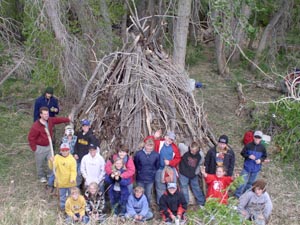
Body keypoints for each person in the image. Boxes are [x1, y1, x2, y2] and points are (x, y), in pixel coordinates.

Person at [28, 106, 71, 183]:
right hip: (40, 148)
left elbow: (58, 120)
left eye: (47, 114)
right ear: (40, 115)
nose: (46, 116)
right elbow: (31, 138)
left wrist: (67, 119)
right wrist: (35, 148)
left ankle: (50, 175)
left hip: (49, 147)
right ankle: (41, 176)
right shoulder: (36, 126)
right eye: (44, 114)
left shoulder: (50, 121)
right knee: (40, 163)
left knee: (51, 161)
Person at [235, 131, 267, 198]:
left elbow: (264, 156)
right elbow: (242, 153)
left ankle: (245, 196)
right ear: (253, 137)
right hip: (247, 167)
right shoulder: (248, 145)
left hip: (256, 168)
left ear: (261, 139)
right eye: (256, 137)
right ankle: (237, 196)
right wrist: (248, 156)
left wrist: (260, 160)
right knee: (241, 182)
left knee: (250, 184)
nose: (257, 139)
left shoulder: (262, 147)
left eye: (259, 137)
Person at [48, 143, 77, 210]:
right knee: (62, 197)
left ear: (69, 150)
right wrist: (51, 161)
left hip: (70, 183)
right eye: (63, 150)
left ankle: (71, 209)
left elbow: (73, 171)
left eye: (66, 150)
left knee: (71, 196)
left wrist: (72, 178)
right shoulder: (57, 158)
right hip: (60, 183)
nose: (64, 152)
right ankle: (63, 209)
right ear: (60, 151)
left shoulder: (72, 159)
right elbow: (52, 167)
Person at [155, 131, 181, 204]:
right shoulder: (159, 143)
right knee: (160, 188)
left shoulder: (174, 148)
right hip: (160, 169)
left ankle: (172, 204)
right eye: (169, 138)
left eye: (172, 140)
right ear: (165, 137)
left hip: (170, 170)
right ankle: (161, 205)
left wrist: (170, 162)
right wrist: (154, 136)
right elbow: (147, 142)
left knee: (172, 187)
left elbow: (178, 158)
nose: (170, 141)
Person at [179, 141, 205, 206]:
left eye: (194, 151)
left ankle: (201, 202)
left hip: (193, 174)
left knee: (196, 187)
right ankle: (186, 203)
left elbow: (200, 163)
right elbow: (180, 144)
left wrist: (196, 172)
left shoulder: (200, 155)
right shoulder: (185, 149)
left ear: (197, 149)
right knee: (184, 188)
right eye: (191, 150)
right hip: (183, 173)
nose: (192, 152)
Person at [134, 138, 160, 205]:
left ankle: (147, 207)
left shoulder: (156, 155)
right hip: (140, 177)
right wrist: (139, 171)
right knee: (139, 193)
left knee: (148, 194)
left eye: (151, 146)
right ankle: (138, 207)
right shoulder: (139, 154)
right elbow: (136, 164)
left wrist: (152, 172)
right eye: (148, 145)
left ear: (153, 146)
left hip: (150, 178)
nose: (149, 147)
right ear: (145, 145)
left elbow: (157, 166)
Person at [74, 119, 98, 187]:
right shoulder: (79, 134)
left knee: (79, 173)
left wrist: (87, 157)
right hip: (78, 156)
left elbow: (92, 149)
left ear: (89, 126)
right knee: (74, 172)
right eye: (83, 126)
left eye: (86, 126)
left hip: (85, 158)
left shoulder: (91, 136)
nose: (85, 127)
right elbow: (76, 145)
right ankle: (75, 187)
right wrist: (75, 153)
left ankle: (77, 187)